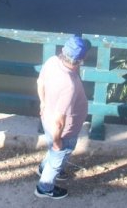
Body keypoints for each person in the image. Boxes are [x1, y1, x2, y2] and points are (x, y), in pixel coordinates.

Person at [35, 35, 91, 200]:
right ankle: (44, 187)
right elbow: (60, 121)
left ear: (63, 50)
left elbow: (40, 83)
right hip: (63, 130)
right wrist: (58, 140)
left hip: (46, 118)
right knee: (59, 154)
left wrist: (43, 103)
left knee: (53, 150)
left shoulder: (52, 61)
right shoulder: (69, 84)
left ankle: (43, 167)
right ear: (81, 59)